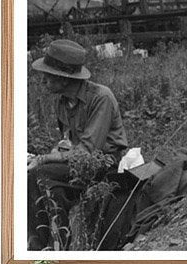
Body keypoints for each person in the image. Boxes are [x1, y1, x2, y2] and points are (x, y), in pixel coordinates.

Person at [27, 39, 128, 248]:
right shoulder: (63, 102)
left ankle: (52, 243)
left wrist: (44, 158)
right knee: (37, 179)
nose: (43, 80)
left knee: (42, 173)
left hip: (104, 161)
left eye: (48, 75)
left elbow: (89, 151)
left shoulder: (101, 97)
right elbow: (69, 142)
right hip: (79, 160)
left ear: (64, 78)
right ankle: (48, 244)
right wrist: (58, 149)